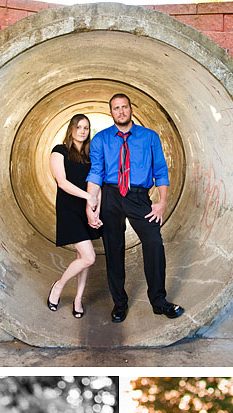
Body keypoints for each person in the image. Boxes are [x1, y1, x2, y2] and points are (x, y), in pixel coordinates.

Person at [86, 93, 184, 323]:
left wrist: (161, 203)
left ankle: (159, 301)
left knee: (154, 243)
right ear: (111, 112)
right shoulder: (101, 139)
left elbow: (160, 170)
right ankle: (119, 303)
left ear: (131, 109)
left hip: (138, 197)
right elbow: (96, 173)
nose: (120, 111)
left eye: (124, 107)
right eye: (116, 108)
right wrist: (91, 205)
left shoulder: (149, 137)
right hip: (110, 195)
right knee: (113, 248)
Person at [48, 114, 100, 318]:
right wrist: (88, 197)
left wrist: (95, 209)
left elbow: (98, 184)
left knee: (83, 258)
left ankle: (78, 298)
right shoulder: (59, 151)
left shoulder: (90, 156)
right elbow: (62, 182)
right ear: (71, 129)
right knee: (89, 257)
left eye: (86, 128)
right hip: (69, 209)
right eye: (79, 127)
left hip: (86, 209)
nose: (82, 131)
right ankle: (59, 286)